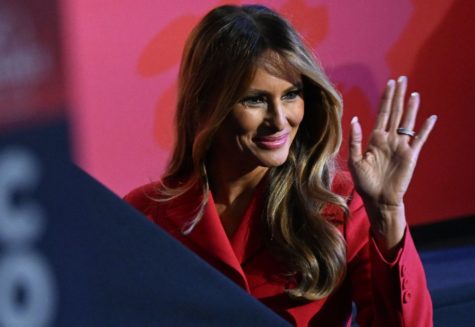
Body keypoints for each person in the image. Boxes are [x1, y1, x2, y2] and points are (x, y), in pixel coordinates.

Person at [124, 4, 436, 326]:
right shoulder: (144, 215)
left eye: (291, 94)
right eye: (255, 99)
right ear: (207, 103)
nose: (279, 119)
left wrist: (387, 212)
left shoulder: (338, 205)